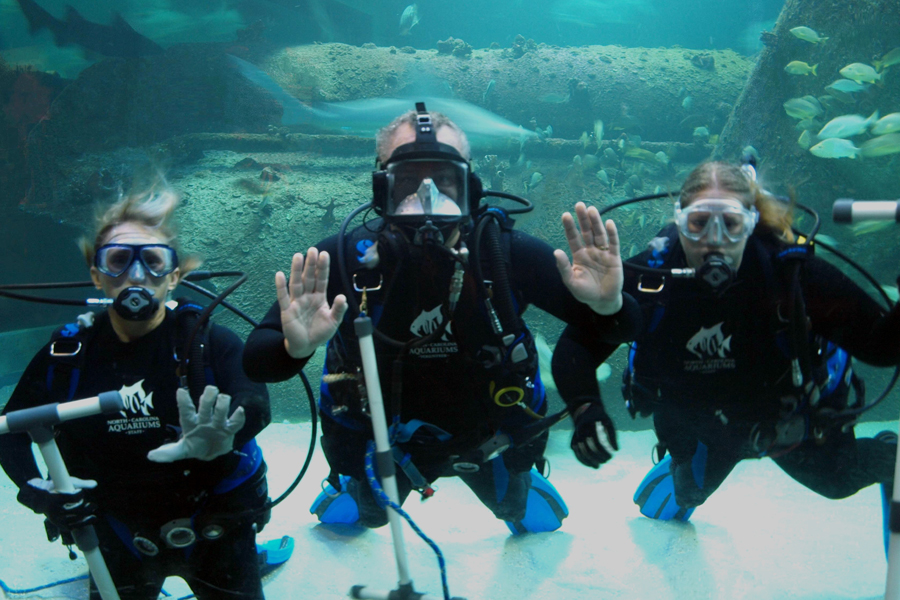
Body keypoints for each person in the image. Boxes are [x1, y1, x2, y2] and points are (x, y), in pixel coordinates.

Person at [242, 103, 640, 534]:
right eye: (408, 180)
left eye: (444, 179)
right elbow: (257, 361)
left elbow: (623, 328)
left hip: (487, 435)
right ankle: (351, 486)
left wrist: (608, 305)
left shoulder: (503, 253)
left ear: (469, 185)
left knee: (517, 506)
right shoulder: (345, 258)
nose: (426, 196)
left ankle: (515, 482)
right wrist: (293, 349)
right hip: (383, 439)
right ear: (382, 188)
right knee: (370, 515)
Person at [553, 160, 900, 534]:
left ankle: (887, 455)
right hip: (699, 423)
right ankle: (694, 467)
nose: (713, 240)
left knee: (837, 482)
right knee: (686, 492)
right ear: (679, 221)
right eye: (699, 223)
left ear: (751, 223)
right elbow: (576, 345)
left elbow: (881, 348)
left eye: (731, 225)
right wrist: (585, 406)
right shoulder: (652, 278)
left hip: (779, 421)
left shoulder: (791, 275)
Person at [0, 187, 272, 599]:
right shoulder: (66, 355)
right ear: (97, 274)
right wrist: (37, 490)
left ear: (174, 276)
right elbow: (10, 429)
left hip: (215, 521)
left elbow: (255, 401)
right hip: (116, 529)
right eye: (119, 259)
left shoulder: (210, 342)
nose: (137, 275)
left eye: (153, 260)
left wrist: (227, 436)